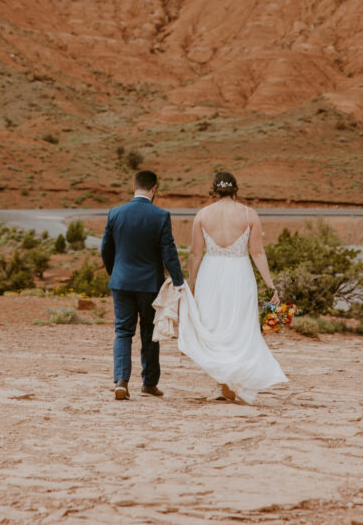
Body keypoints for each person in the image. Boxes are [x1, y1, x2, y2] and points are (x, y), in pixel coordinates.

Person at [175, 170, 287, 404]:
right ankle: (228, 383)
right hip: (239, 274)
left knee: (214, 326)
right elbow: (257, 253)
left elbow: (195, 254)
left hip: (210, 274)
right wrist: (270, 284)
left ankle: (221, 385)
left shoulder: (202, 215)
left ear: (214, 190)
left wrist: (192, 286)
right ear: (235, 189)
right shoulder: (249, 215)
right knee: (238, 327)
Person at [101, 169, 184, 401]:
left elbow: (106, 249)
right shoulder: (161, 216)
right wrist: (179, 282)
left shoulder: (115, 213)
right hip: (150, 285)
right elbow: (169, 253)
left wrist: (115, 273)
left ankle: (121, 381)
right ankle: (148, 384)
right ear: (155, 188)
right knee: (149, 333)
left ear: (133, 186)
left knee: (123, 332)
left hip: (121, 283)